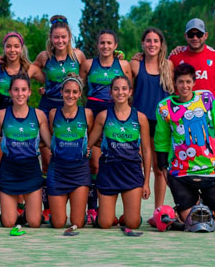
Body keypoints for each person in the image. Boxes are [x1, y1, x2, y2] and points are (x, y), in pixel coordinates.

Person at [154, 63, 215, 227]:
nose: (184, 86)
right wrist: (163, 166)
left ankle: (209, 205)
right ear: (175, 83)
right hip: (182, 171)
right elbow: (162, 140)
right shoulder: (164, 107)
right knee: (191, 218)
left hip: (211, 168)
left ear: (194, 82)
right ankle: (191, 207)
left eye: (188, 82)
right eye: (181, 82)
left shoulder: (207, 98)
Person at [0, 32, 43, 224]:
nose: (12, 50)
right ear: (4, 48)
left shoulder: (29, 69)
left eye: (16, 46)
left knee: (21, 155)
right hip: (0, 119)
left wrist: (45, 91)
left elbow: (51, 79)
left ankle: (21, 205)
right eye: (9, 46)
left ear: (22, 48)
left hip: (23, 117)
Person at [33, 15, 86, 223]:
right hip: (49, 106)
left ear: (70, 37)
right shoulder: (45, 56)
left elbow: (81, 79)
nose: (60, 41)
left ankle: (87, 205)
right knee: (48, 158)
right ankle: (49, 206)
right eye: (56, 37)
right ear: (51, 38)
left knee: (75, 150)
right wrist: (45, 84)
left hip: (70, 105)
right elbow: (29, 69)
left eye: (63, 37)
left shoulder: (79, 56)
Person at [0, 73, 52, 228]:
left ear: (29, 92)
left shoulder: (39, 115)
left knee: (34, 223)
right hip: (9, 170)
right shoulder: (2, 115)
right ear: (10, 92)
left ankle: (27, 212)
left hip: (31, 169)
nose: (20, 94)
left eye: (23, 90)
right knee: (8, 223)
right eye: (16, 90)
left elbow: (48, 142)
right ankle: (12, 212)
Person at [80, 29, 132, 224]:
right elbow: (77, 88)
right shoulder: (88, 64)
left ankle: (115, 207)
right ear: (97, 45)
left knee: (114, 159)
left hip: (115, 112)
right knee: (94, 162)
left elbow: (129, 89)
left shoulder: (123, 64)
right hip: (93, 111)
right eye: (102, 43)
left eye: (109, 43)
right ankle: (92, 207)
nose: (105, 46)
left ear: (115, 46)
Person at [87, 76, 151, 229]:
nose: (120, 92)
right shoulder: (103, 116)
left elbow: (147, 151)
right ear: (111, 93)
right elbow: (89, 143)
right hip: (109, 171)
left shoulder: (140, 118)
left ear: (130, 92)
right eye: (116, 89)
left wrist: (147, 182)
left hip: (131, 172)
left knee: (133, 223)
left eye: (124, 89)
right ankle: (107, 214)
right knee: (105, 223)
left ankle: (128, 215)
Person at [129, 27, 174, 222]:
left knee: (159, 167)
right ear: (142, 44)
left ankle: (158, 211)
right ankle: (133, 210)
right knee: (138, 164)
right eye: (148, 41)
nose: (152, 44)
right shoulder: (135, 65)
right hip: (141, 121)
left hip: (163, 123)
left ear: (161, 44)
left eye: (156, 41)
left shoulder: (169, 66)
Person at [47, 73, 93, 228]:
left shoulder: (87, 114)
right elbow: (50, 138)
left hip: (79, 171)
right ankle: (56, 210)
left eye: (74, 92)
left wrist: (88, 149)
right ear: (61, 92)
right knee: (58, 223)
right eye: (67, 91)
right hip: (58, 170)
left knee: (77, 223)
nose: (70, 95)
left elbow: (92, 137)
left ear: (80, 94)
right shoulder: (53, 113)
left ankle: (83, 212)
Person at [169, 18, 215, 104]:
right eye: (191, 35)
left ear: (206, 35)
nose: (195, 38)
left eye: (199, 34)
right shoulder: (175, 57)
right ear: (185, 36)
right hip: (184, 113)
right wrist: (142, 56)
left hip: (211, 113)